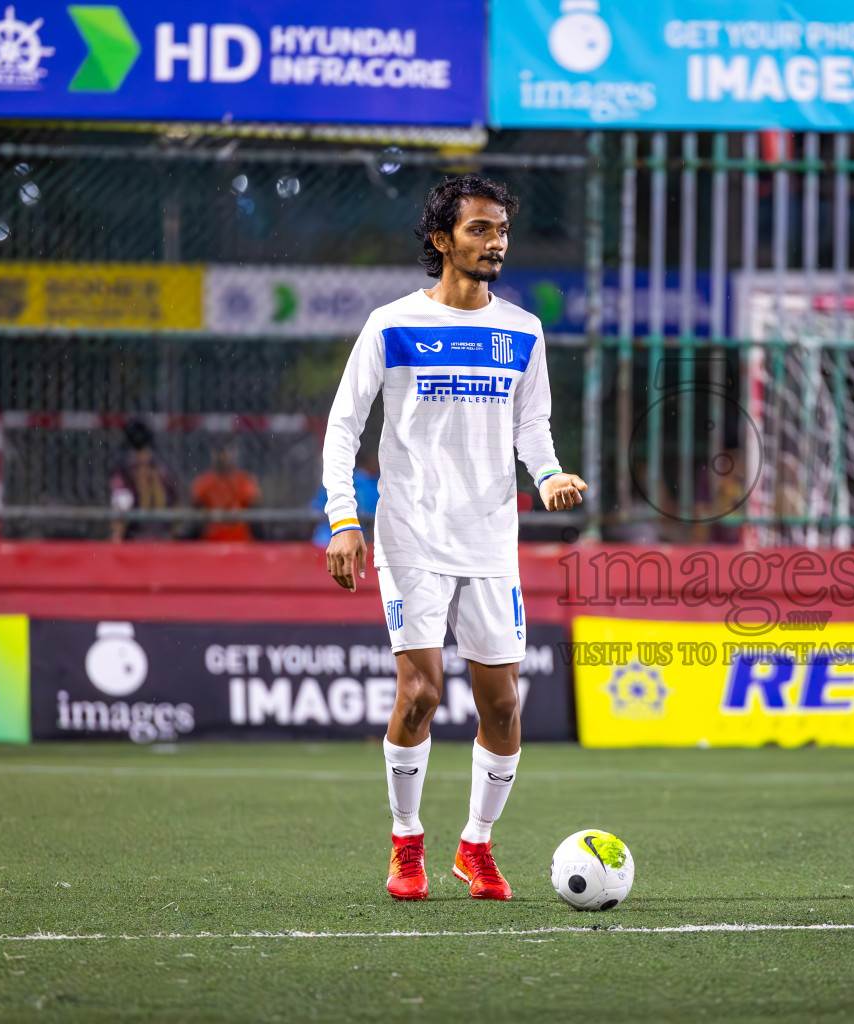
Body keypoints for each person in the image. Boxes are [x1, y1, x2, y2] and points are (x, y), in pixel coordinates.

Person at [320, 174, 586, 904]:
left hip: (490, 540)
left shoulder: (522, 330)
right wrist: (345, 519)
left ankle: (477, 846)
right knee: (421, 692)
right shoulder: (389, 325)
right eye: (478, 229)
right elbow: (345, 428)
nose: (494, 241)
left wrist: (551, 475)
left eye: (500, 229)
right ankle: (407, 844)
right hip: (409, 533)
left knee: (502, 707)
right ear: (440, 239)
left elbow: (533, 429)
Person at [109, 419, 180, 541]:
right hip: (163, 537)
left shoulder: (125, 469)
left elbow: (122, 503)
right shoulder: (163, 468)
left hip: (136, 537)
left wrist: (117, 534)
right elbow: (176, 502)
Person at [190, 443, 260, 542]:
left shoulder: (242, 479)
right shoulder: (206, 480)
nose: (223, 457)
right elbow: (195, 503)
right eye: (219, 453)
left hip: (239, 537)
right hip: (212, 537)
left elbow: (255, 500)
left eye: (226, 453)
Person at [312, 449, 379, 547]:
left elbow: (374, 510)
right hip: (329, 540)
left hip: (348, 541)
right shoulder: (332, 481)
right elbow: (315, 510)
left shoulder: (362, 481)